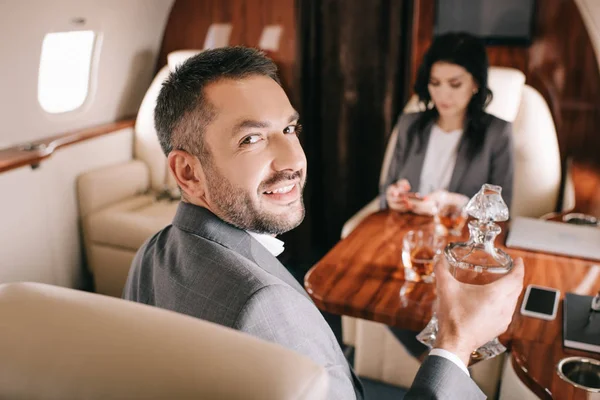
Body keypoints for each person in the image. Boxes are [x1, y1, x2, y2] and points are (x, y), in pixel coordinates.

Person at [123, 46, 524, 399]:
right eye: (251, 139)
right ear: (189, 173)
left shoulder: (150, 253)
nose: (294, 160)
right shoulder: (266, 308)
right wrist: (457, 342)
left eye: (289, 129)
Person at [381, 32, 514, 213]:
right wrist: (392, 197)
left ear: (475, 83)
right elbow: (387, 190)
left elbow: (501, 209)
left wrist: (453, 202)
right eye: (435, 83)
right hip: (407, 230)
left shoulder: (497, 133)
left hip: (460, 235)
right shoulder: (409, 124)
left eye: (455, 84)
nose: (443, 95)